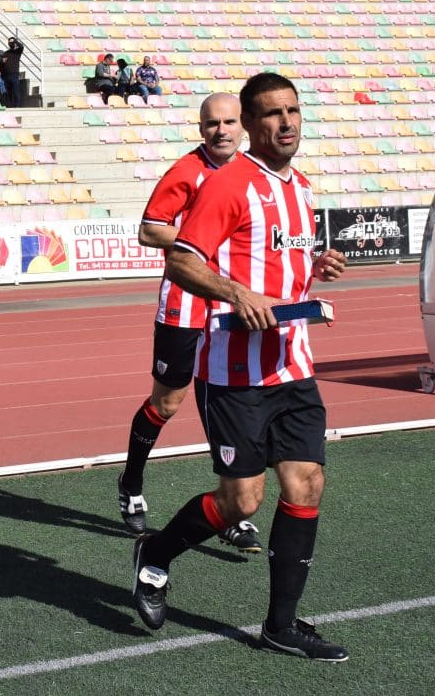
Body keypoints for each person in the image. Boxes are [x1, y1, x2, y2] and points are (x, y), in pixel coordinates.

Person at [131, 72, 350, 662]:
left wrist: (315, 267)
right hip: (233, 375)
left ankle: (281, 625)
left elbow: (283, 267)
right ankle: (155, 552)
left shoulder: (300, 188)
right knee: (241, 502)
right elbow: (180, 261)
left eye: (294, 111)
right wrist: (234, 293)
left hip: (294, 366)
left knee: (307, 483)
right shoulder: (229, 185)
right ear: (252, 126)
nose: (287, 123)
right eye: (273, 114)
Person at [118, 93, 263, 550]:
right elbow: (148, 229)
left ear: (244, 126)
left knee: (228, 402)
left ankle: (232, 504)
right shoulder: (186, 171)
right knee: (167, 404)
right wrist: (205, 232)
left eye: (229, 122)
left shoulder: (254, 175)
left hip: (230, 303)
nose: (220, 131)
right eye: (211, 124)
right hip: (184, 303)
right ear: (201, 129)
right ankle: (131, 482)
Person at [0, 37, 25, 107]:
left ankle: (17, 105)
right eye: (10, 42)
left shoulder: (17, 51)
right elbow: (1, 64)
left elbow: (21, 47)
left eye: (12, 42)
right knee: (8, 91)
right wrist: (2, 61)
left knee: (16, 90)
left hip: (14, 74)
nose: (11, 44)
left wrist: (15, 41)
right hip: (6, 75)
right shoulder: (6, 53)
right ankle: (9, 105)